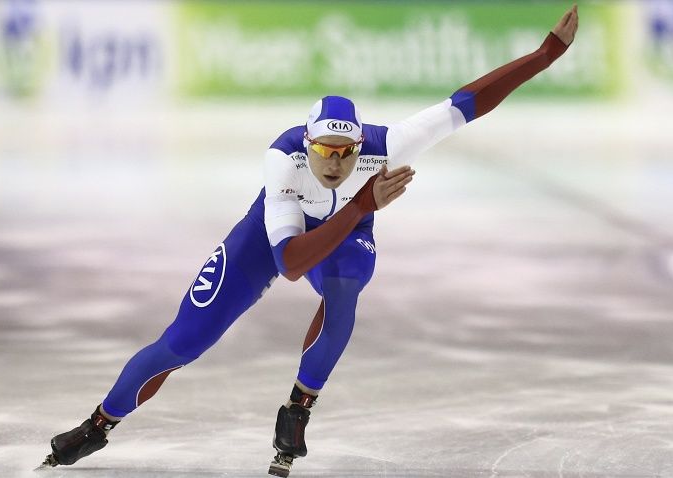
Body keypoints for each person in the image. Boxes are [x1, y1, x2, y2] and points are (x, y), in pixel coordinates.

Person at [39, 5, 579, 477]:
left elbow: (466, 103)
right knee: (183, 342)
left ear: (361, 145)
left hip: (346, 237)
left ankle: (297, 409)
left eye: (346, 153)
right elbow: (291, 263)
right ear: (308, 143)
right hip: (271, 237)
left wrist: (546, 54)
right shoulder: (284, 159)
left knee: (345, 291)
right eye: (324, 152)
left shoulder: (387, 145)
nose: (335, 164)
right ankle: (98, 424)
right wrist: (363, 204)